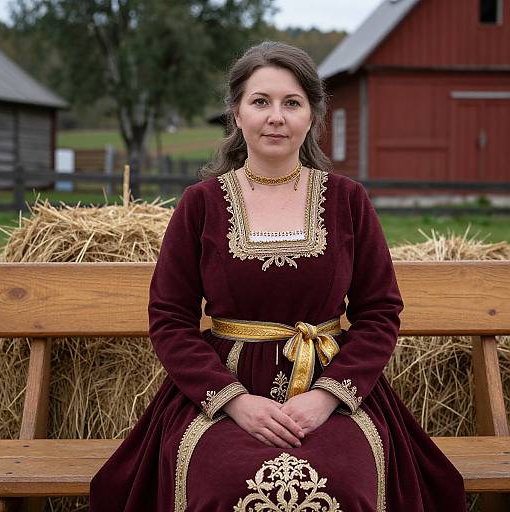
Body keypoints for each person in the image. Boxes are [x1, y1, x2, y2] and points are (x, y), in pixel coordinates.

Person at [89, 41, 467, 511]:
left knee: (345, 485)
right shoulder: (201, 205)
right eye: (260, 101)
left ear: (312, 115)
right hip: (224, 390)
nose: (276, 116)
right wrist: (233, 401)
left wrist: (329, 397)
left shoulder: (347, 200)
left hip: (331, 387)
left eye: (292, 103)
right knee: (223, 485)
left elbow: (380, 312)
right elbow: (169, 318)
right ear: (236, 114)